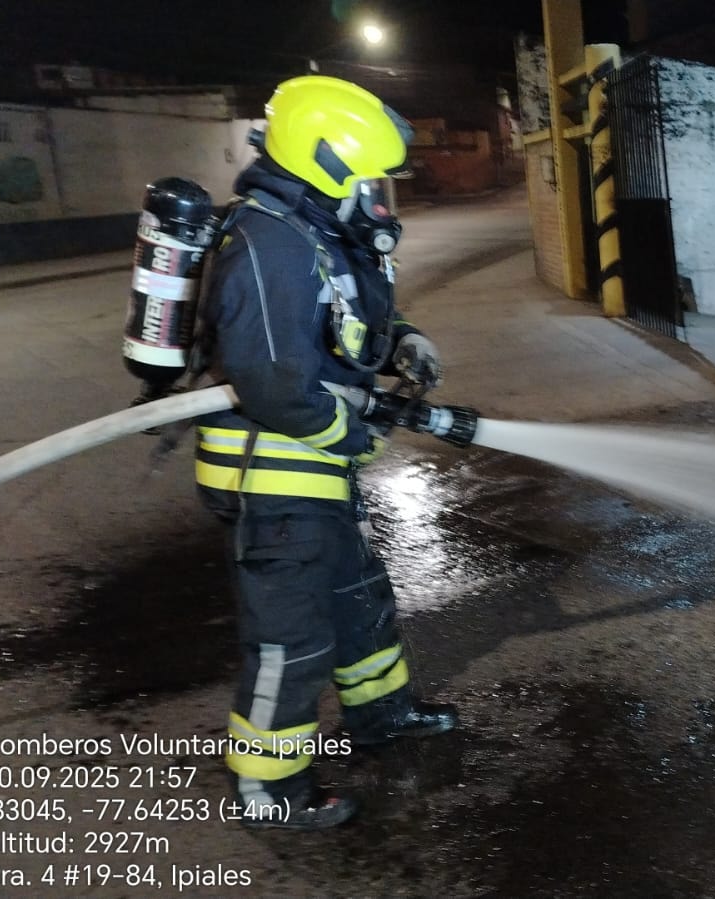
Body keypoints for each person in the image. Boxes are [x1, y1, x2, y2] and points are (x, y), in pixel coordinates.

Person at [194, 75, 456, 830]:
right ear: (328, 163)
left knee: (358, 603)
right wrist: (354, 433)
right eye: (369, 178)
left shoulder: (311, 230)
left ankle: (382, 718)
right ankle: (270, 790)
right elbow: (274, 384)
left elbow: (345, 311)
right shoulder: (268, 240)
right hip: (273, 474)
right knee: (291, 639)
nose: (379, 197)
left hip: (312, 467)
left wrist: (401, 336)